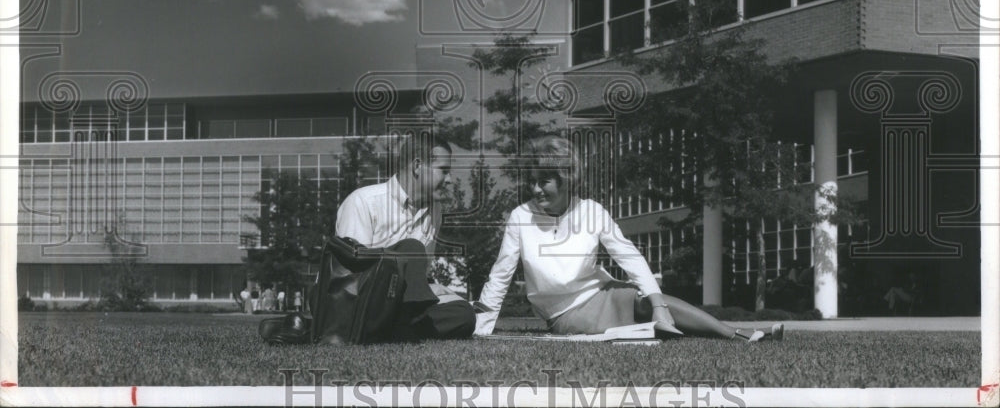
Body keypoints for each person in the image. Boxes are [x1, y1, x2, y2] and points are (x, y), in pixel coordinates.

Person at [474, 136, 783, 342]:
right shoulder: (520, 216)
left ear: (566, 178)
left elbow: (629, 256)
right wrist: (482, 329)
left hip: (602, 292)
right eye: (533, 180)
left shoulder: (592, 211)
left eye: (545, 180)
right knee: (641, 303)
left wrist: (657, 301)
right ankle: (738, 334)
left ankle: (735, 334)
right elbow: (500, 274)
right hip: (565, 315)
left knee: (649, 300)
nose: (536, 188)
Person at [260, 133, 476, 344]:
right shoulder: (364, 201)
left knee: (464, 314)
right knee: (411, 247)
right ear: (418, 166)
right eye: (444, 171)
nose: (449, 180)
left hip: (398, 306)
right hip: (347, 300)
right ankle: (380, 329)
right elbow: (347, 276)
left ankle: (380, 331)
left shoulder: (435, 211)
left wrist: (434, 289)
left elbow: (420, 275)